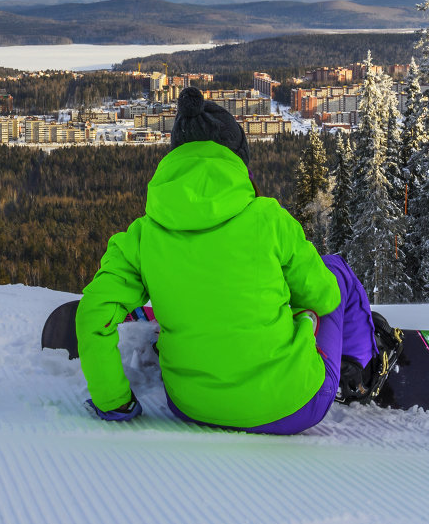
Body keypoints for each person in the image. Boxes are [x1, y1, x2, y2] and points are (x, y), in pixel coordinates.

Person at [76, 87, 400, 433]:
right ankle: (360, 369)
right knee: (335, 270)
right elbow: (324, 298)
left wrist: (114, 401)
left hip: (191, 407)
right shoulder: (269, 219)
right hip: (294, 406)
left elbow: (93, 314)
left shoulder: (141, 236)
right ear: (237, 157)